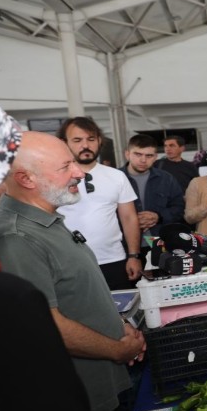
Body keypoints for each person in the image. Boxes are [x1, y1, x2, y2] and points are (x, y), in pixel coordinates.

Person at [0, 130, 146, 411]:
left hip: (106, 379)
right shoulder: (17, 238)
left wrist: (118, 325)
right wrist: (117, 350)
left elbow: (75, 293)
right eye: (66, 166)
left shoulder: (46, 219)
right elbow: (45, 325)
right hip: (83, 395)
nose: (80, 173)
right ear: (26, 179)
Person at [57, 117, 142, 290]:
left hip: (114, 260)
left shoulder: (117, 176)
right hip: (68, 262)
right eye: (77, 140)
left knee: (122, 305)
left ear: (99, 141)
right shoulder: (54, 177)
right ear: (64, 143)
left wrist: (133, 256)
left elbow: (129, 218)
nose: (85, 145)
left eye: (91, 139)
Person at [120, 134, 185, 260]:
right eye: (138, 154)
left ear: (155, 157)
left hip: (160, 245)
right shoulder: (114, 179)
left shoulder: (166, 179)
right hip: (123, 248)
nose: (143, 160)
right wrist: (131, 220)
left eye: (149, 156)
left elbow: (179, 208)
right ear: (127, 154)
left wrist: (159, 216)